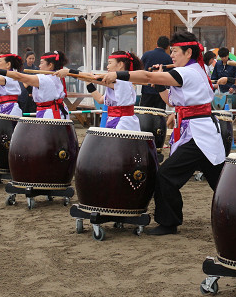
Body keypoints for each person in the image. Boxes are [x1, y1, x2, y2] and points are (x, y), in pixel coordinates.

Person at [100, 31, 226, 236]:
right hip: (196, 131)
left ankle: (169, 223)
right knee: (221, 182)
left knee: (166, 176)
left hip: (199, 133)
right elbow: (170, 101)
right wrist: (160, 83)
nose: (172, 55)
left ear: (188, 52)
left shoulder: (188, 72)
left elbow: (148, 76)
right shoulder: (192, 70)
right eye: (171, 51)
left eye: (175, 51)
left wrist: (120, 75)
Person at [56, 51, 142, 131]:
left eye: (110, 63)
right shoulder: (116, 82)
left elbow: (93, 77)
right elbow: (100, 99)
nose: (107, 66)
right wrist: (88, 83)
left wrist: (69, 72)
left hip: (123, 123)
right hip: (114, 119)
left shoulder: (121, 82)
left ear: (120, 65)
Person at [0, 51, 69, 119]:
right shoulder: (52, 77)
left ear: (50, 65)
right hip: (52, 111)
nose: (39, 66)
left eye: (41, 63)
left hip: (51, 113)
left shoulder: (46, 79)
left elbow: (20, 76)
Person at [140, 36, 173, 109]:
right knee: (159, 114)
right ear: (167, 47)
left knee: (145, 113)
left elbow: (140, 67)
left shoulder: (147, 54)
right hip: (161, 91)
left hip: (147, 89)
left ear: (156, 44)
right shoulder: (169, 58)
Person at [18, 49, 38, 114]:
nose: (31, 60)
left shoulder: (36, 69)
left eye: (33, 58)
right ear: (26, 58)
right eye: (30, 58)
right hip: (23, 93)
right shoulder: (21, 68)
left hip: (33, 94)